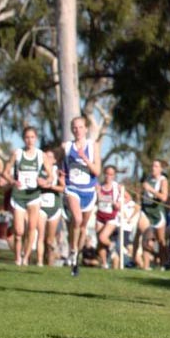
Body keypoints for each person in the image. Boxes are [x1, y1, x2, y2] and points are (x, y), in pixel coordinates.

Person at [1, 126, 53, 266]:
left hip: (34, 196)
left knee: (32, 228)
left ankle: (25, 258)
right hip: (19, 195)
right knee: (18, 231)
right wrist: (12, 181)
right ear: (24, 139)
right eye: (27, 137)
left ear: (35, 138)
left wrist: (44, 181)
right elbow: (5, 172)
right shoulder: (17, 154)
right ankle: (17, 256)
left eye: (32, 137)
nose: (30, 140)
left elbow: (50, 175)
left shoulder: (40, 155)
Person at [62, 116, 102, 276]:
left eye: (80, 127)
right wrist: (57, 173)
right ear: (72, 130)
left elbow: (97, 171)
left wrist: (84, 158)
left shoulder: (93, 146)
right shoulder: (66, 147)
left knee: (83, 226)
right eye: (74, 127)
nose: (77, 130)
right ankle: (72, 248)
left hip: (89, 191)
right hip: (72, 188)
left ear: (86, 129)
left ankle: (76, 254)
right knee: (77, 220)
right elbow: (54, 160)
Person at [135, 159, 168, 270]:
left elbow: (164, 197)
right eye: (152, 166)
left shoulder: (163, 180)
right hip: (146, 211)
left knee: (160, 240)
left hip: (157, 213)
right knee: (146, 237)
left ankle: (163, 262)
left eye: (156, 166)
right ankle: (146, 265)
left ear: (160, 169)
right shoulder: (147, 178)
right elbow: (140, 193)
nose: (153, 168)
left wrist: (151, 189)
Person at [36, 149, 65, 266]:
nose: (46, 159)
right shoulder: (38, 170)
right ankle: (39, 262)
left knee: (49, 240)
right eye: (45, 157)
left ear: (54, 160)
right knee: (41, 236)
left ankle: (50, 263)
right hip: (41, 207)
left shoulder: (57, 172)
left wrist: (51, 186)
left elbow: (63, 188)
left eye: (49, 157)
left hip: (55, 207)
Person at [95, 165, 123, 269]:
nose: (108, 176)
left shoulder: (117, 187)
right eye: (106, 174)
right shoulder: (99, 186)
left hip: (111, 217)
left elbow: (127, 197)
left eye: (111, 174)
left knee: (103, 237)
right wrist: (97, 193)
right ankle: (104, 263)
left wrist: (119, 204)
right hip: (100, 215)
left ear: (114, 176)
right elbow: (96, 201)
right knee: (100, 241)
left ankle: (113, 246)